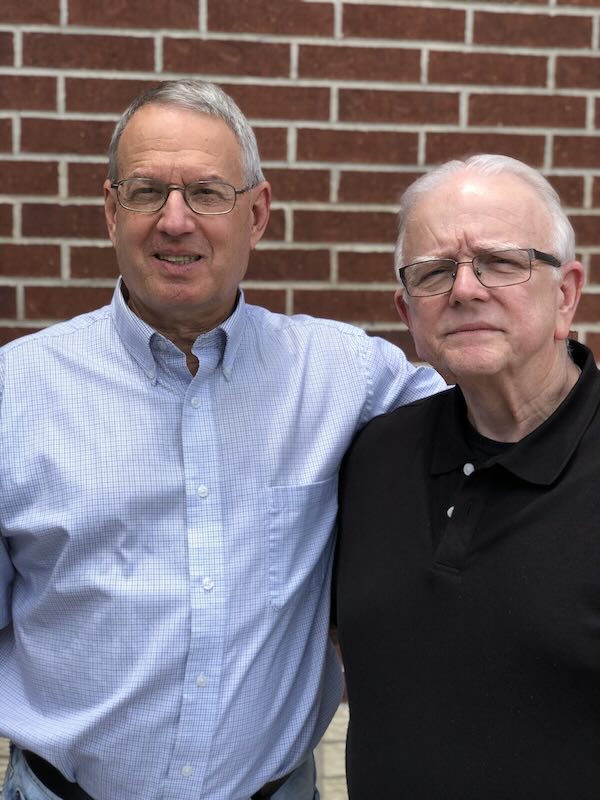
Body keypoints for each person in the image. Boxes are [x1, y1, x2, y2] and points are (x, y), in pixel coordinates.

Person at [0, 79, 444, 800]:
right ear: (112, 211)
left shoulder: (345, 377)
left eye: (207, 193)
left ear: (257, 213)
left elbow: (499, 422)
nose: (175, 221)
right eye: (147, 192)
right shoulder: (14, 393)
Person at [334, 153, 600, 799]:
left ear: (565, 292)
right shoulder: (375, 456)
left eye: (501, 262)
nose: (465, 289)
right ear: (407, 313)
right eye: (434, 272)